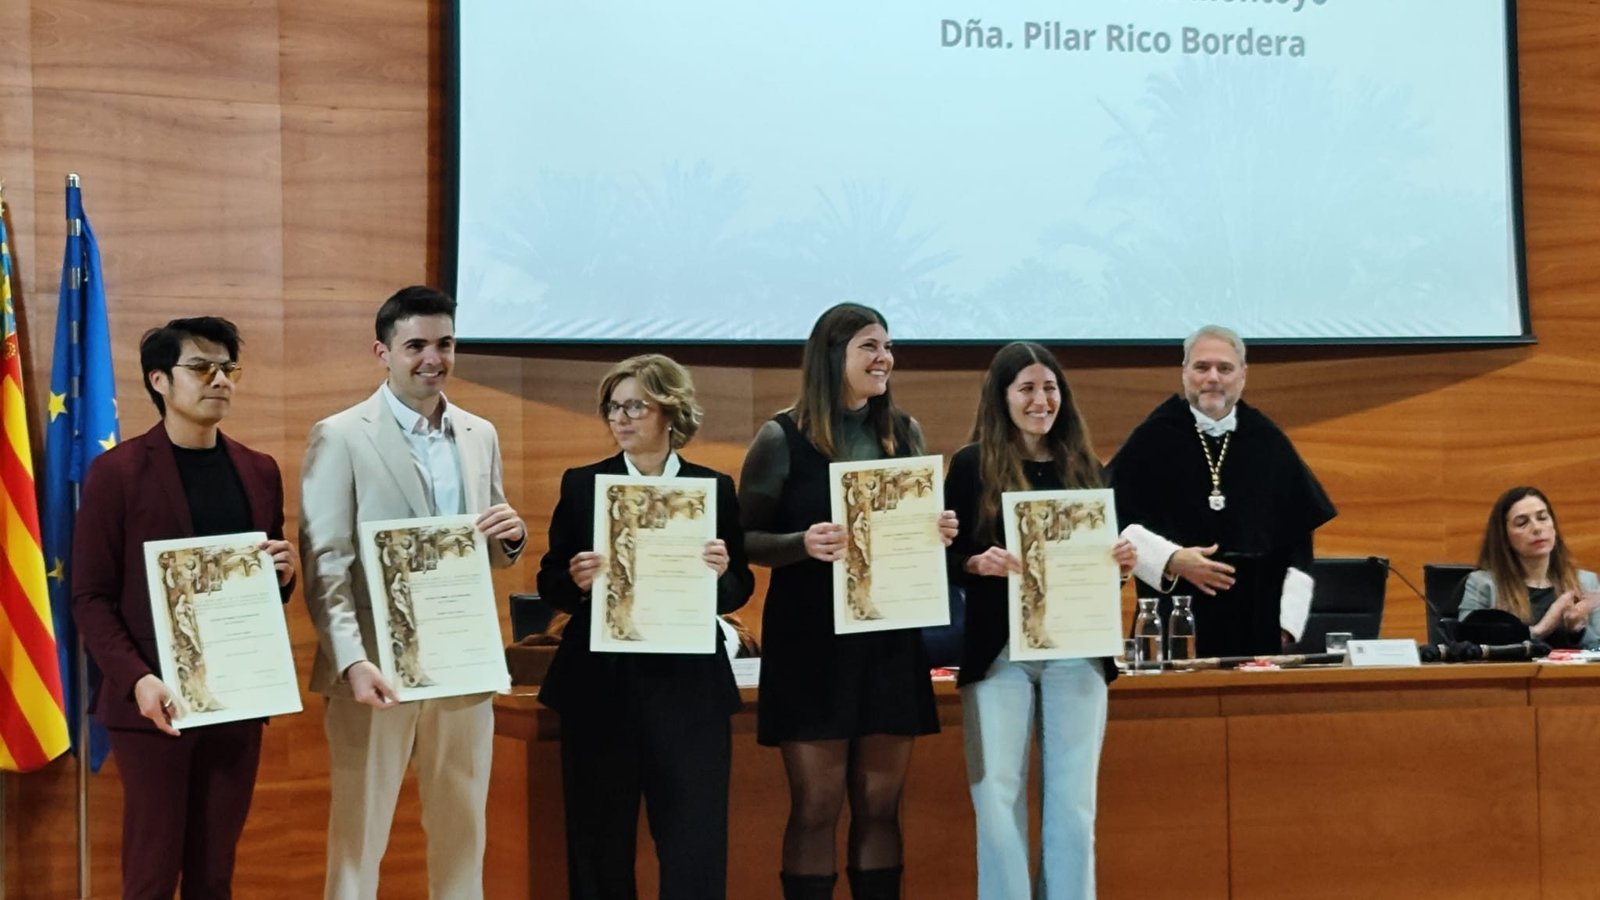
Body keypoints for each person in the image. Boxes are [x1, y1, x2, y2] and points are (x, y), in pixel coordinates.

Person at [299, 286, 527, 900]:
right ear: (384, 352)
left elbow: (491, 533)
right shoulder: (341, 434)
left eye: (445, 343)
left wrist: (512, 535)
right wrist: (352, 660)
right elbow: (325, 563)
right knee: (359, 835)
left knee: (463, 831)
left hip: (462, 661)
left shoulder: (480, 432)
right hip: (373, 669)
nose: (434, 357)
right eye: (416, 345)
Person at [739, 302, 958, 900]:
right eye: (869, 346)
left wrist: (934, 532)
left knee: (882, 807)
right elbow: (742, 539)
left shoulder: (903, 432)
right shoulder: (780, 437)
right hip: (811, 641)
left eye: (887, 346)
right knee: (817, 806)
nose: (883, 358)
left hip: (888, 638)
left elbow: (912, 532)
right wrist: (801, 543)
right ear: (832, 355)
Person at [72, 317, 296, 899]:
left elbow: (261, 591)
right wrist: (138, 680)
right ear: (160, 381)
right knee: (150, 873)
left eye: (228, 368)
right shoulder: (117, 473)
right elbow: (90, 596)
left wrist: (282, 575)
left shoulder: (259, 469)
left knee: (214, 873)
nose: (218, 379)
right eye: (200, 367)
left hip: (239, 697)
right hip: (154, 704)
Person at [538, 354, 755, 900]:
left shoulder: (712, 488)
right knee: (599, 846)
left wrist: (723, 575)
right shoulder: (585, 484)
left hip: (687, 693)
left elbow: (739, 588)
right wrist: (575, 578)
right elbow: (550, 580)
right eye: (613, 407)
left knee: (694, 843)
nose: (621, 417)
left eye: (636, 405)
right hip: (600, 688)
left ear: (670, 410)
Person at [944, 342, 1136, 899]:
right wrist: (976, 563)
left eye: (1049, 387)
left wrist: (1119, 567)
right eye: (1026, 388)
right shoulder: (970, 465)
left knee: (1074, 804)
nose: (1040, 399)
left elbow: (1096, 567)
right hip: (999, 652)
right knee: (997, 796)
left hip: (1077, 650)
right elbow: (945, 559)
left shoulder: (1085, 466)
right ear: (1002, 397)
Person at [1110, 324, 1336, 657]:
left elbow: (1298, 543)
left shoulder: (1267, 441)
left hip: (1256, 626)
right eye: (1201, 367)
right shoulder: (1153, 437)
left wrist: (1286, 625)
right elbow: (1113, 519)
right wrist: (1172, 559)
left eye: (1224, 368)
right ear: (1184, 372)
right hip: (1174, 617)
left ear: (1243, 375)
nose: (1212, 377)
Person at [1459, 486, 1600, 648]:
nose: (1537, 528)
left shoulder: (1585, 582)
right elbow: (1466, 648)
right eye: (1522, 523)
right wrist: (1539, 631)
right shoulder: (1484, 585)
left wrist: (1577, 631)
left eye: (1542, 518)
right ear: (1504, 537)